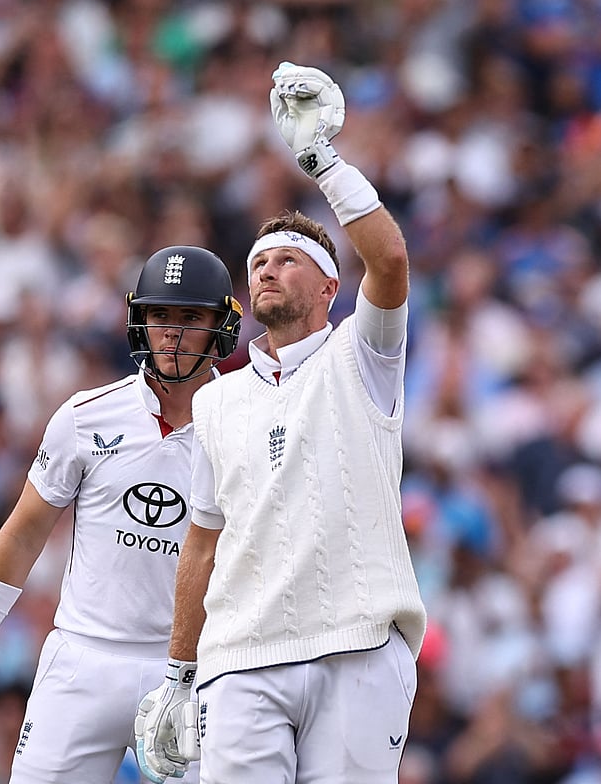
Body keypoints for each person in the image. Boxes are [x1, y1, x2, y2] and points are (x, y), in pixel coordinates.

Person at [134, 62, 427, 783]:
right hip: (240, 656)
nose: (267, 271)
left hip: (355, 643)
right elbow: (201, 545)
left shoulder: (362, 356)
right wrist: (178, 669)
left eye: (289, 261)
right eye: (259, 262)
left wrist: (322, 162)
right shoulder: (215, 399)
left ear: (330, 285)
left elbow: (389, 259)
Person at [0, 244, 243, 783]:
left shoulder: (243, 423)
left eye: (190, 318)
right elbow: (23, 534)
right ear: (138, 321)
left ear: (221, 325)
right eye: (160, 315)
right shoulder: (86, 416)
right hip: (80, 657)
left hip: (188, 667)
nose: (172, 334)